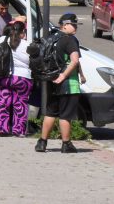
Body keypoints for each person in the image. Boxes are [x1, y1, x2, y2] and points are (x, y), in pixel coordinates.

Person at [36, 13, 86, 153]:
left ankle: (42, 142)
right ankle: (66, 144)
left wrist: (82, 74)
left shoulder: (52, 38)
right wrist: (64, 75)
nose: (76, 27)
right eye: (73, 24)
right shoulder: (70, 40)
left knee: (51, 112)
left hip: (52, 81)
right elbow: (74, 60)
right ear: (64, 25)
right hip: (68, 84)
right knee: (66, 115)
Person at [0, 18, 32, 136]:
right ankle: (18, 130)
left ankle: (0, 129)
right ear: (22, 33)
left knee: (2, 102)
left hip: (4, 77)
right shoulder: (26, 45)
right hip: (23, 78)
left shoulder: (1, 40)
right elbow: (32, 61)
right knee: (20, 104)